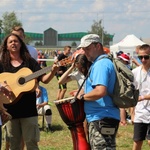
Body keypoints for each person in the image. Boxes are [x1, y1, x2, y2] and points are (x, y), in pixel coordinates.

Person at [0, 33, 58, 150]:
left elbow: (44, 80)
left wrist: (52, 71)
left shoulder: (30, 62)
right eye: (10, 42)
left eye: (16, 41)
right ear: (6, 46)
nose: (13, 43)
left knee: (32, 144)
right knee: (13, 145)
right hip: (10, 112)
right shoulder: (2, 64)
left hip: (29, 111)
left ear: (21, 44)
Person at [77, 34, 120, 149]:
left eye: (88, 48)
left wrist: (82, 97)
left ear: (98, 46)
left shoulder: (101, 64)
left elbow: (100, 91)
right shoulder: (101, 63)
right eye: (84, 49)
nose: (85, 52)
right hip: (101, 118)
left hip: (102, 118)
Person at [131, 44, 150, 150]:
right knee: (137, 141)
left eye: (146, 57)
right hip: (140, 113)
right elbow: (133, 95)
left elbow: (139, 97)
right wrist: (132, 113)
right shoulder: (135, 72)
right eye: (140, 57)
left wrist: (143, 97)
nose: (143, 60)